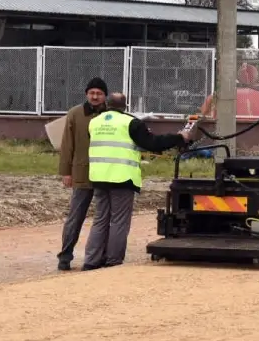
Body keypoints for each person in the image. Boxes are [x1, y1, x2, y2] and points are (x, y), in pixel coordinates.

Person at [82, 91, 192, 271]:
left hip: (99, 177)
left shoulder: (94, 123)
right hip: (122, 177)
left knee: (100, 219)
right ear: (125, 107)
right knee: (119, 220)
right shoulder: (131, 123)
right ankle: (113, 260)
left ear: (107, 104)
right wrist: (179, 138)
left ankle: (91, 260)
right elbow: (153, 143)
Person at [56, 77, 108, 271]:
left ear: (105, 96)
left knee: (103, 218)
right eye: (92, 93)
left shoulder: (110, 115)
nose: (95, 97)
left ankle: (101, 256)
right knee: (75, 217)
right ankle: (65, 255)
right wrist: (66, 172)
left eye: (99, 93)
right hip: (81, 172)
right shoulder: (75, 114)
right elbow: (67, 145)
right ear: (86, 94)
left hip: (106, 173)